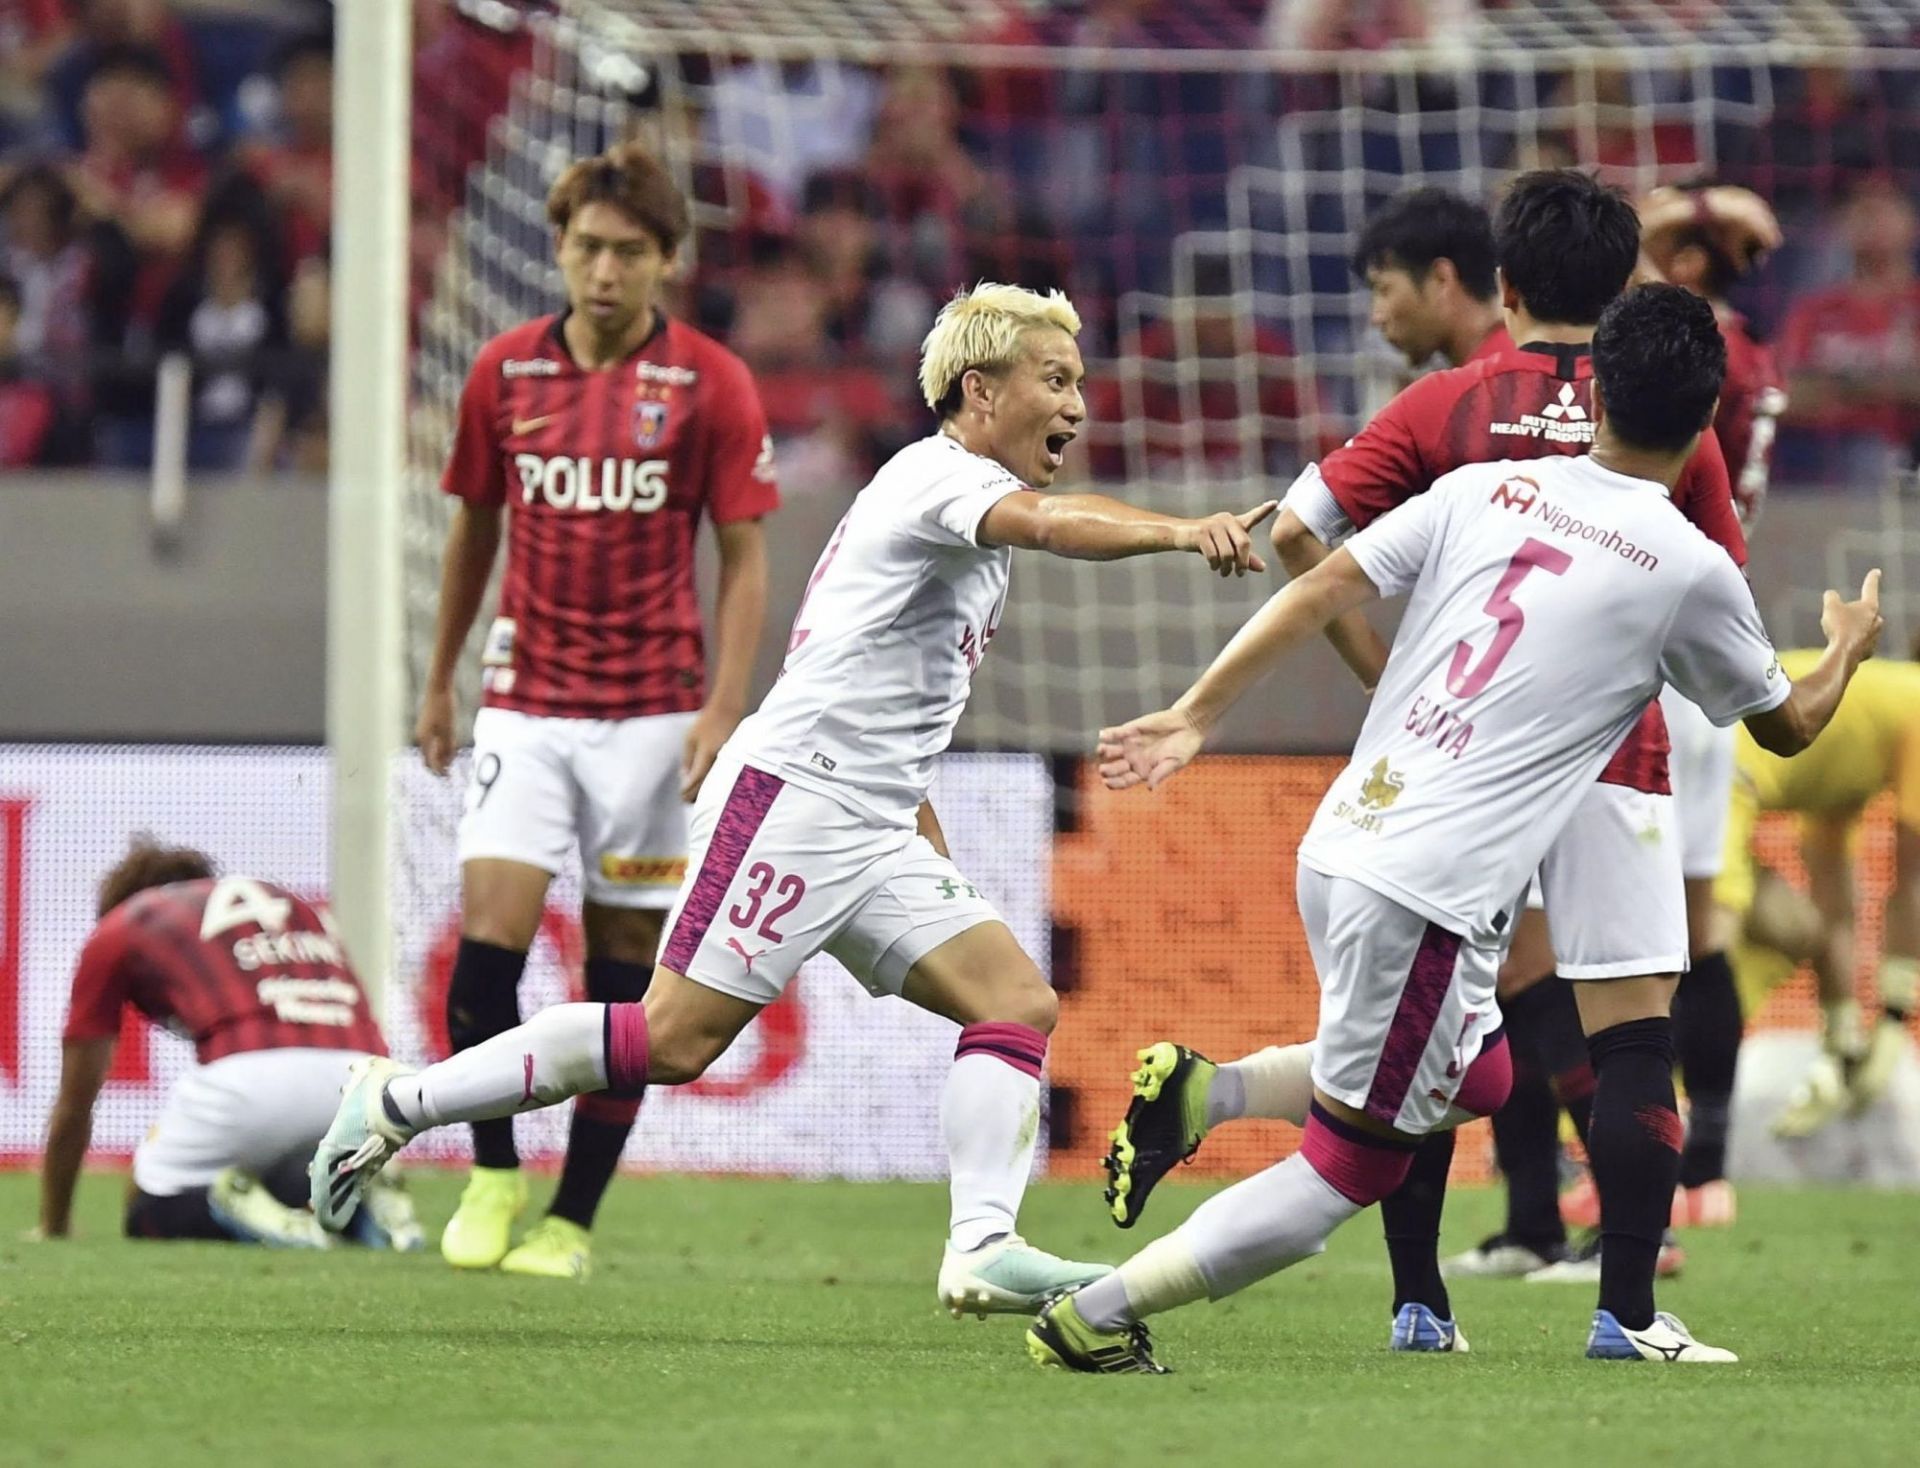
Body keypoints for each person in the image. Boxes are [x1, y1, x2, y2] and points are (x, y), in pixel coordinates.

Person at [314, 281, 1281, 1319]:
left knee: (1014, 1000)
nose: (1078, 406)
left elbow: (888, 698)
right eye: (1056, 379)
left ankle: (983, 1248)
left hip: (872, 818)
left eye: (1079, 382)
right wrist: (1184, 532)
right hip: (793, 800)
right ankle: (397, 1099)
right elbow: (1049, 522)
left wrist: (926, 839)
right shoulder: (936, 477)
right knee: (674, 1039)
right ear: (978, 390)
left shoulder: (962, 521)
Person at [1030, 284, 1881, 1374]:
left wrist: (1199, 711)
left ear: (1598, 391)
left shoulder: (1488, 484)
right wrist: (1847, 645)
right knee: (1351, 1168)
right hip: (1431, 892)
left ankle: (1218, 1088)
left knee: (1472, 1074)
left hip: (1344, 840)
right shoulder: (1688, 564)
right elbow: (1792, 727)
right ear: (1709, 412)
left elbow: (1320, 578)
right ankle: (1098, 1313)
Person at [1123, 172, 1746, 1339]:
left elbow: (1301, 535)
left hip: (1456, 762)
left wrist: (1398, 679)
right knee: (1627, 1033)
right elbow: (1714, 587)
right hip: (1617, 756)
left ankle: (1420, 1298)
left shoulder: (1450, 405)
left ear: (1499, 284)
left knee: (1445, 1028)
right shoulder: (1664, 423)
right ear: (1626, 292)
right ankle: (1625, 1310)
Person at [414, 143, 779, 1280]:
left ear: (667, 261)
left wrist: (724, 707)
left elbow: (745, 555)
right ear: (561, 251)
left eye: (629, 251)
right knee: (485, 955)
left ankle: (571, 1220)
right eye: (586, 248)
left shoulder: (711, 382)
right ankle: (489, 1170)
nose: (604, 270)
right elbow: (475, 525)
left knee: (624, 988)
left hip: (652, 720)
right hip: (525, 702)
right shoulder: (504, 374)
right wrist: (441, 678)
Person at [1556, 181, 1789, 1231]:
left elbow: (1648, 269)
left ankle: (1620, 1161)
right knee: (1692, 929)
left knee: (1596, 934)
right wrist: (1709, 214)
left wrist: (1686, 206)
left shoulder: (1683, 356)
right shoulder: (1745, 355)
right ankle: (1705, 1168)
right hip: (1697, 643)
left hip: (1630, 638)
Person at [36, 839, 418, 1250]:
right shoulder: (294, 904)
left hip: (250, 1075)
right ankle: (362, 1195)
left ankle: (232, 1209)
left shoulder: (123, 923)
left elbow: (75, 1104)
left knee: (150, 1202)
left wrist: (53, 1224)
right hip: (372, 1080)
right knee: (285, 1167)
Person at [1714, 648, 1920, 1137]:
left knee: (1793, 929)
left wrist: (1841, 1040)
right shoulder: (1913, 706)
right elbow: (1912, 879)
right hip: (1709, 775)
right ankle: (1680, 1148)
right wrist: (1892, 1019)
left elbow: (1834, 904)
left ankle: (1664, 1095)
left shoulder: (1859, 741)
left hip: (1707, 773)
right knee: (1707, 953)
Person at [1349, 186, 1504, 372]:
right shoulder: (1535, 360)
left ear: (1441, 279)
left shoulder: (1488, 385)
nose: (1376, 317)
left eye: (1384, 290)